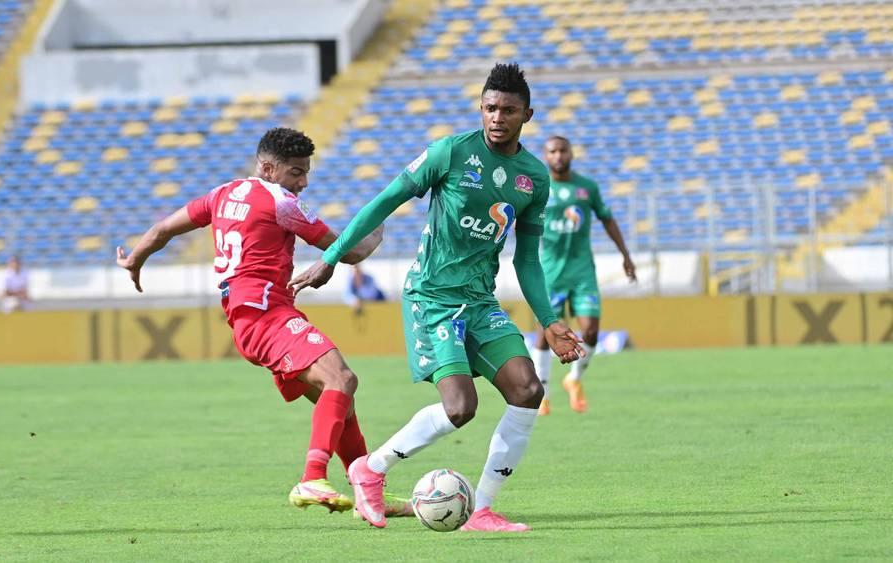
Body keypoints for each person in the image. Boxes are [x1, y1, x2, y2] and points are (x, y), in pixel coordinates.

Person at [289, 63, 584, 532]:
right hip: (432, 297)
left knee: (528, 390)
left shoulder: (534, 177)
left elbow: (527, 259)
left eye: (508, 110)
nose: (496, 117)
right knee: (460, 408)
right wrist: (334, 256)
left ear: (527, 114)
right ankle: (371, 468)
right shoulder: (450, 152)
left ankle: (481, 510)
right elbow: (385, 200)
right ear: (481, 109)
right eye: (489, 107)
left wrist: (547, 319)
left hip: (480, 301)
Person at [115, 127, 410, 517]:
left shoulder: (221, 195)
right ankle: (312, 476)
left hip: (247, 318)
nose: (303, 182)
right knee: (342, 379)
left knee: (337, 401)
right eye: (295, 172)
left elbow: (162, 230)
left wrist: (135, 258)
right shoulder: (281, 202)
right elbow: (352, 251)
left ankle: (369, 492)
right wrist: (379, 224)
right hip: (267, 313)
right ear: (268, 168)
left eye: (306, 172)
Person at [531, 136, 636, 416]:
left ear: (571, 153)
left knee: (590, 330)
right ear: (546, 156)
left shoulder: (586, 187)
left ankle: (574, 379)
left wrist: (625, 255)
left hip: (581, 272)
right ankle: (542, 391)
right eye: (552, 151)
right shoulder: (539, 187)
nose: (558, 156)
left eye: (563, 150)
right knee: (546, 334)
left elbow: (607, 219)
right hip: (550, 272)